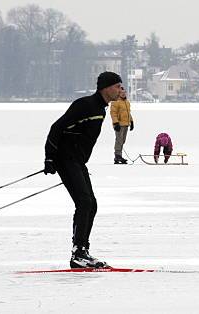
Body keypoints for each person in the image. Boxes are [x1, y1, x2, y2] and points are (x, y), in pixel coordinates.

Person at [43, 71, 122, 268]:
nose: (120, 90)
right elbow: (56, 128)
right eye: (117, 86)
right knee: (84, 202)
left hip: (77, 161)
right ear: (106, 88)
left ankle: (83, 251)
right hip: (65, 159)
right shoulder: (85, 105)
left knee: (91, 204)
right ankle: (78, 253)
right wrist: (49, 157)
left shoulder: (101, 109)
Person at [110, 86, 134, 164]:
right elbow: (113, 113)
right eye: (121, 93)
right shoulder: (115, 101)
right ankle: (117, 156)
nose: (123, 94)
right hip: (119, 124)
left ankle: (119, 155)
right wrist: (116, 123)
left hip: (126, 124)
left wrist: (131, 121)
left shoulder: (127, 102)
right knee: (119, 140)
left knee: (123, 140)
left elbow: (128, 113)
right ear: (119, 93)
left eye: (124, 93)